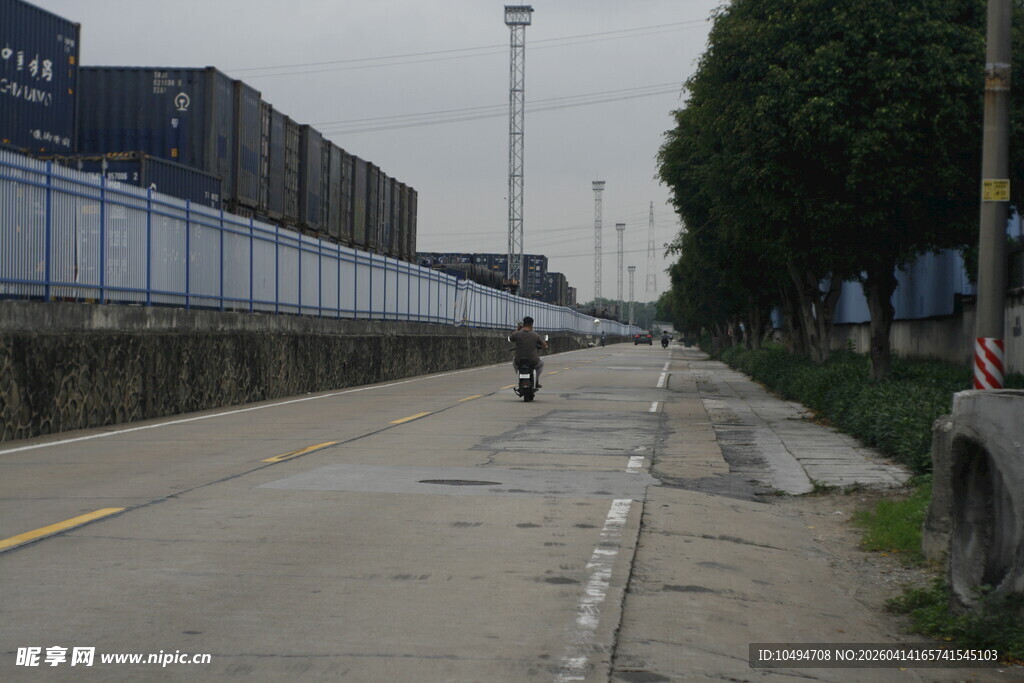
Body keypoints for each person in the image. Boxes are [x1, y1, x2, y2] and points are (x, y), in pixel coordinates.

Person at [509, 316, 548, 388]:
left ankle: (519, 375)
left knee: (514, 363)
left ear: (523, 324)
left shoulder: (517, 334)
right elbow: (544, 345)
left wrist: (517, 330)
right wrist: (544, 346)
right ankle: (535, 381)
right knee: (541, 364)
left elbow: (511, 338)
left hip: (519, 360)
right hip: (533, 360)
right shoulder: (535, 335)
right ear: (531, 325)